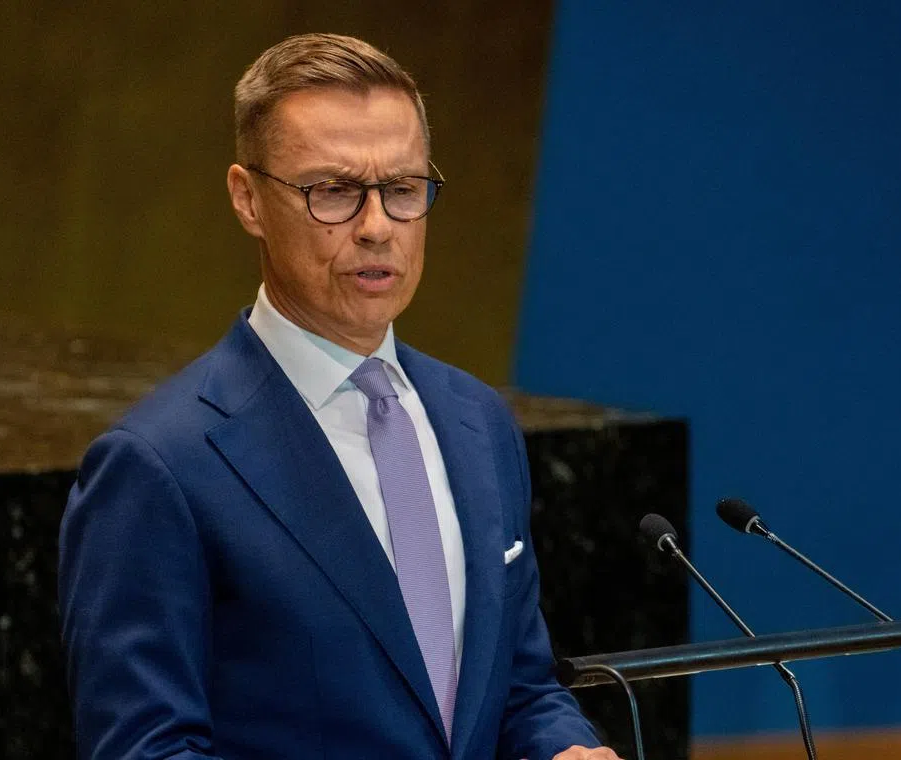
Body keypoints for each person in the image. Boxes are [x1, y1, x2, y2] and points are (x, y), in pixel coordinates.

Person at [57, 33, 621, 760]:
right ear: (248, 199)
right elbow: (146, 749)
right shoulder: (158, 466)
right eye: (334, 192)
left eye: (403, 189)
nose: (378, 227)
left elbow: (519, 686)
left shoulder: (478, 421)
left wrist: (565, 748)